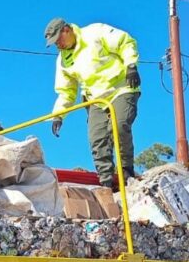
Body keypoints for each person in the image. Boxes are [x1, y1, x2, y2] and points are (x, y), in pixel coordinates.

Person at [44, 18, 141, 189]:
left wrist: (131, 65)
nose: (58, 45)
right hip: (96, 99)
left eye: (59, 40)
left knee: (118, 128)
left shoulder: (95, 32)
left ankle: (126, 173)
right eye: (55, 44)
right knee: (97, 138)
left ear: (67, 30)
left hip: (121, 87)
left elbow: (124, 42)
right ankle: (106, 184)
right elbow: (66, 91)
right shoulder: (63, 61)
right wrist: (58, 115)